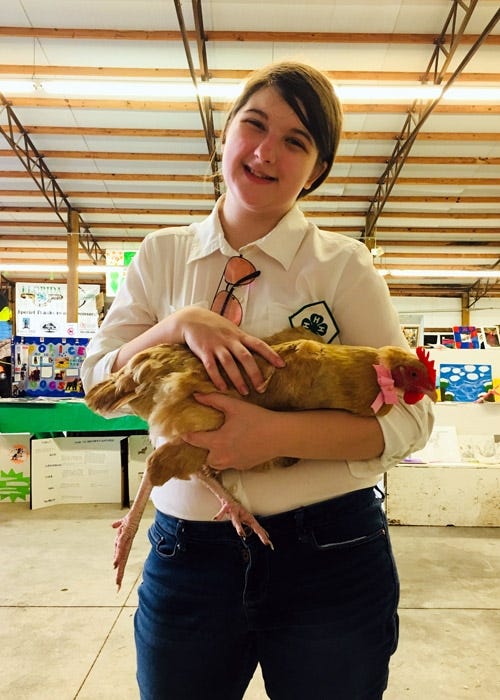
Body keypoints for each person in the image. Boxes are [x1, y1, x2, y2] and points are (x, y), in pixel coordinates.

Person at [81, 61, 434, 700]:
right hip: (188, 557)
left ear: (317, 169)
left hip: (330, 552)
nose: (266, 151)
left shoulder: (343, 268)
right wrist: (176, 325)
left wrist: (269, 435)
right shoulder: (161, 256)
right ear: (226, 135)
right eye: (254, 125)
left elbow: (413, 420)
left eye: (296, 142)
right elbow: (97, 381)